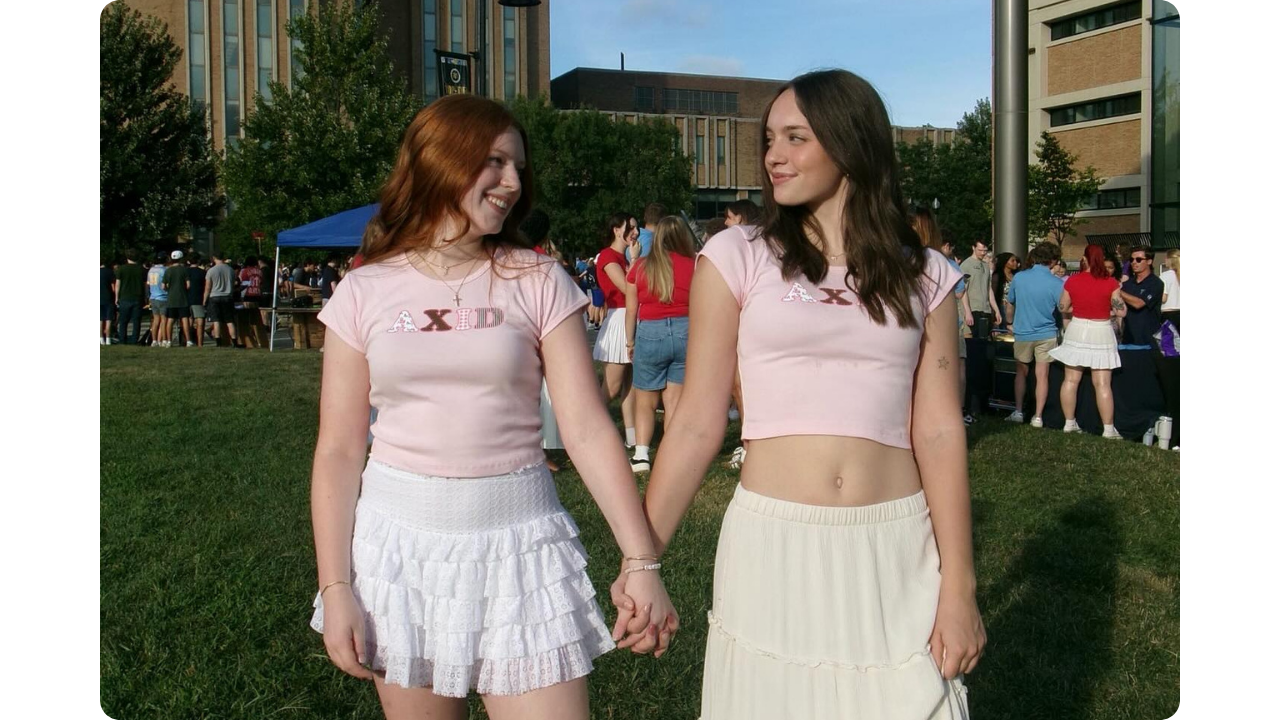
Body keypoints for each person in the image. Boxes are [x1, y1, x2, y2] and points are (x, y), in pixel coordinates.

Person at [611, 69, 980, 720]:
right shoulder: (739, 255)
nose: (774, 156)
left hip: (896, 547)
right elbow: (696, 422)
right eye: (769, 139)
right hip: (773, 545)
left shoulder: (927, 276)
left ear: (851, 143)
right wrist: (643, 559)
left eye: (796, 138)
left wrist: (961, 587)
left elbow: (941, 431)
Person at [307, 94, 673, 720]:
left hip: (521, 551)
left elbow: (586, 429)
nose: (512, 182)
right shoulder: (363, 290)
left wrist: (641, 560)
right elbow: (340, 449)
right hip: (401, 557)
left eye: (518, 168)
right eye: (496, 162)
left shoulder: (537, 280)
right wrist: (336, 586)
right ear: (441, 162)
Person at [624, 216, 696, 473]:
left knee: (645, 399)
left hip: (650, 331)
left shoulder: (640, 267)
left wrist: (630, 341)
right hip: (685, 330)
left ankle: (642, 454)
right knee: (675, 400)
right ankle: (672, 453)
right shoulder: (695, 265)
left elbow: (631, 309)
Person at [1049, 244, 1126, 439]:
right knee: (1102, 383)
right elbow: (1121, 310)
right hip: (1101, 330)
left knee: (1070, 380)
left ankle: (1069, 423)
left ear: (1085, 259)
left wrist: (1079, 308)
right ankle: (1108, 429)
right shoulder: (1110, 283)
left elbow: (1063, 306)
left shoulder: (1073, 281)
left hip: (1077, 329)